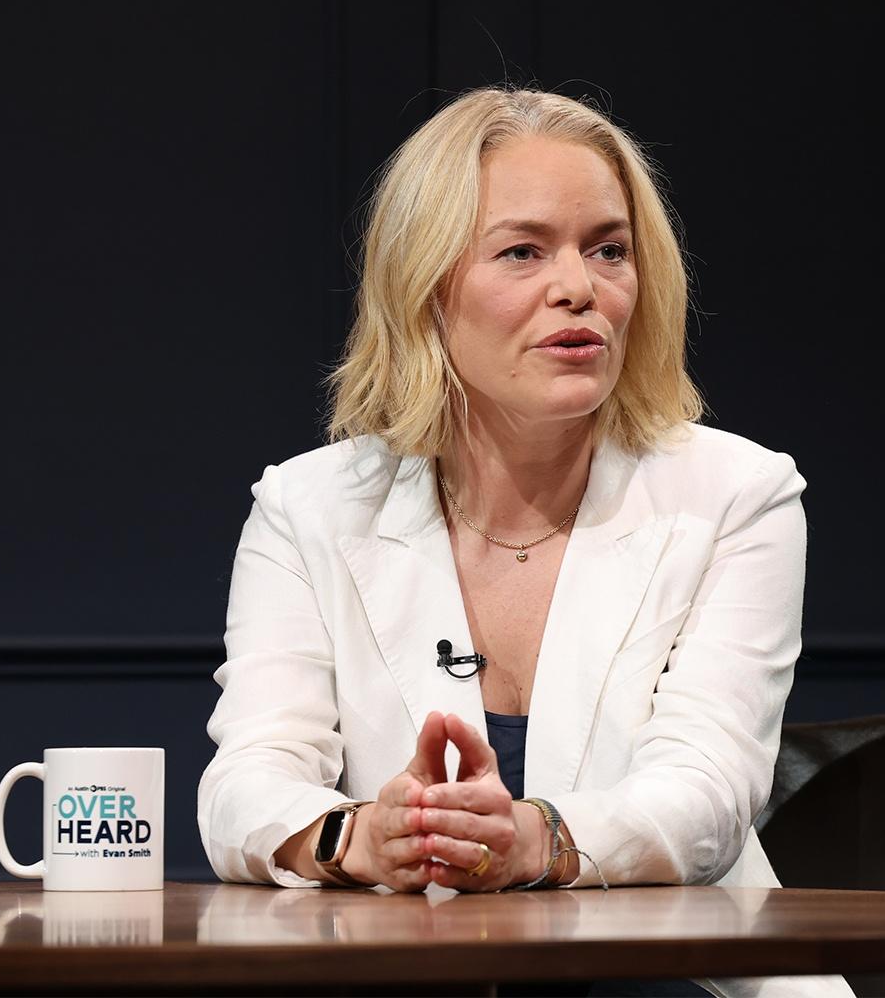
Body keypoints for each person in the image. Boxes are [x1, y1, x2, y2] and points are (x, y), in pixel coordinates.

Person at [197, 86, 849, 998]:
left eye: (609, 250)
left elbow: (705, 796)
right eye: (523, 251)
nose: (579, 287)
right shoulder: (307, 509)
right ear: (427, 289)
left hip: (680, 980)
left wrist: (532, 839)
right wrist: (360, 837)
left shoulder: (737, 495)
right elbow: (246, 785)